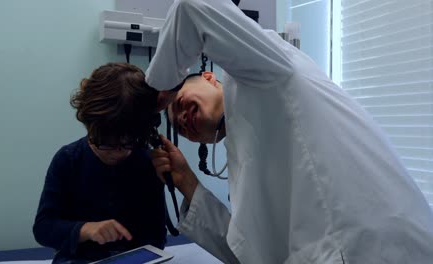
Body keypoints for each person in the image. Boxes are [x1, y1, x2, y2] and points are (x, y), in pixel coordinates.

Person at [145, 0, 433, 263]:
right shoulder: (248, 154)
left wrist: (159, 90)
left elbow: (192, 7)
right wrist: (187, 182)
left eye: (179, 102)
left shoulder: (263, 72)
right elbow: (250, 251)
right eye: (180, 126)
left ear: (209, 77)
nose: (182, 117)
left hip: (370, 247)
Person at [33, 63, 166, 264]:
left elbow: (156, 236)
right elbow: (43, 228)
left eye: (128, 142)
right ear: (90, 127)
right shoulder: (68, 160)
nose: (118, 152)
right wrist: (85, 229)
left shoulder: (147, 162)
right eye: (107, 143)